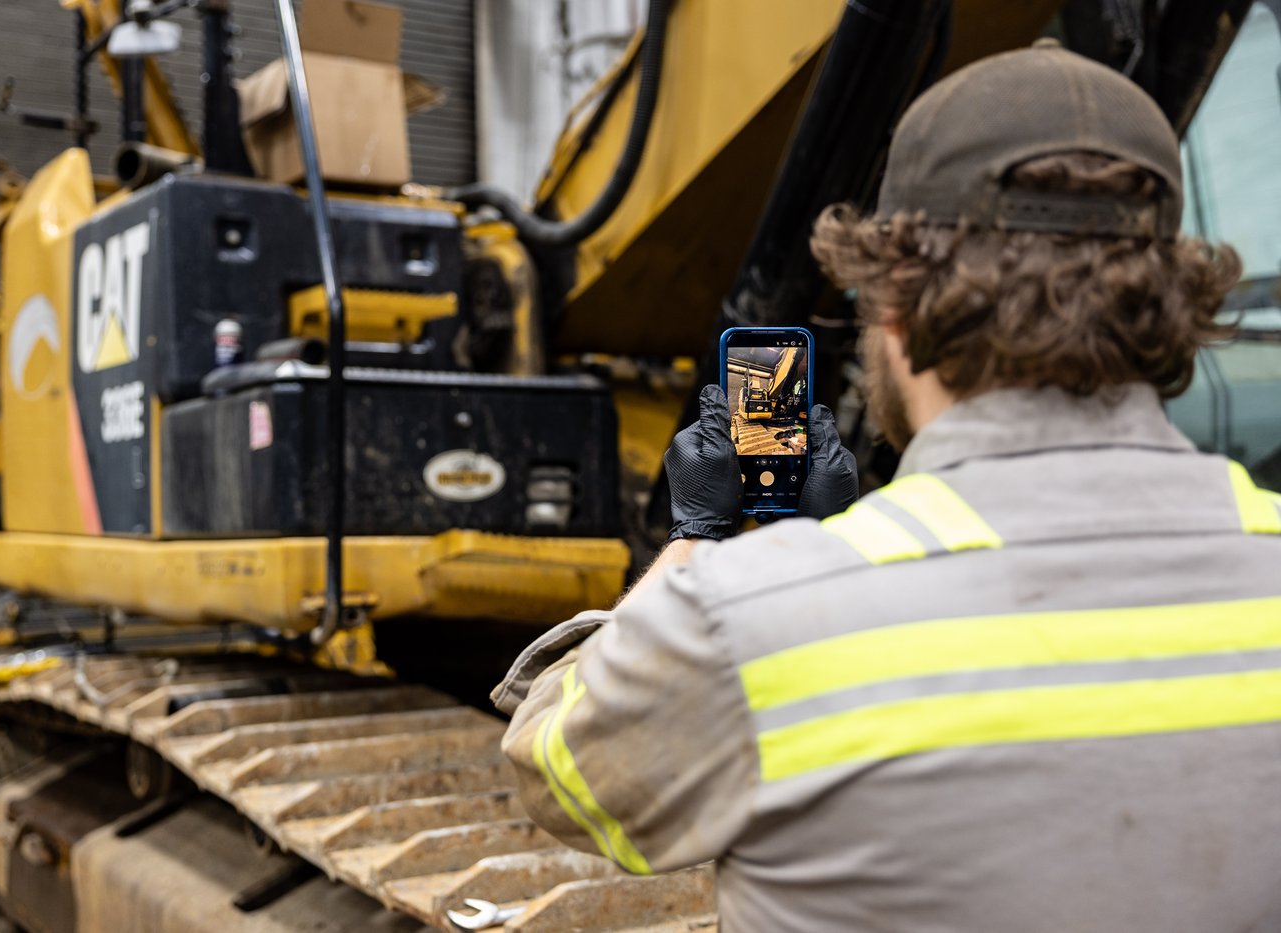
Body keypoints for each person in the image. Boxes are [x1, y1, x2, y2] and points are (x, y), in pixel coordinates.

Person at [493, 41, 1280, 933]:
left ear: (894, 306)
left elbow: (555, 766)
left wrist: (704, 544)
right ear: (1174, 301)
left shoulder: (744, 620)